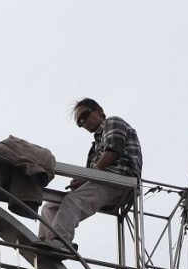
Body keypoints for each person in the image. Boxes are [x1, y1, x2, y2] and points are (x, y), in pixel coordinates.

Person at [36, 98, 142, 253]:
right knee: (49, 207)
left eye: (85, 115)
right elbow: (93, 173)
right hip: (105, 182)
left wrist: (85, 178)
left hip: (120, 180)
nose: (83, 122)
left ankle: (61, 241)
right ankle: (46, 243)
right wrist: (81, 182)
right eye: (79, 122)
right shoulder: (94, 147)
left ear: (100, 111)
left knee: (73, 200)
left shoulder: (112, 122)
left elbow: (112, 152)